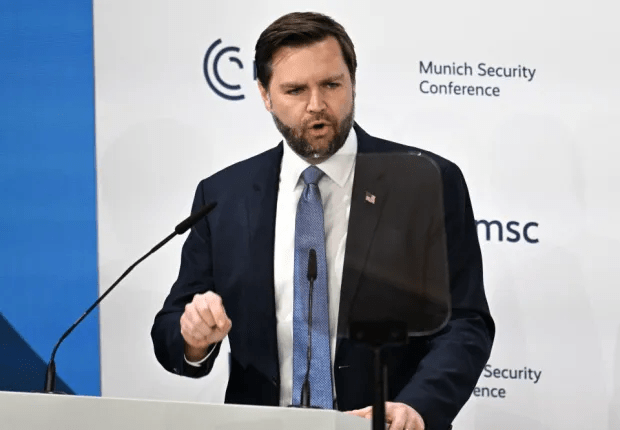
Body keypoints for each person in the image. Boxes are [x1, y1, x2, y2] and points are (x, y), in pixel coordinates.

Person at [151, 12, 494, 430]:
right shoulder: (223, 196)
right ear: (264, 94)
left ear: (352, 82)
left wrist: (417, 407)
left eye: (331, 84)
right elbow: (172, 331)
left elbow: (465, 323)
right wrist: (193, 337)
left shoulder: (427, 182)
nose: (316, 105)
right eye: (295, 90)